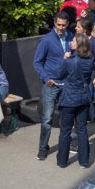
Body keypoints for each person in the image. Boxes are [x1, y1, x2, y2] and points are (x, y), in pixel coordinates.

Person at [33, 14, 75, 160]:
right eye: (59, 25)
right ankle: (43, 148)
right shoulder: (46, 40)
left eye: (63, 25)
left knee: (67, 117)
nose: (61, 28)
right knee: (46, 119)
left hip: (67, 83)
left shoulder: (72, 37)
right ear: (54, 24)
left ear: (68, 24)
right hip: (51, 84)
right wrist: (46, 79)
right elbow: (37, 62)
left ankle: (65, 146)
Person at [53, 34, 95, 169]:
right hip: (83, 98)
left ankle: (62, 160)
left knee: (65, 130)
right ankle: (83, 161)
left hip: (69, 99)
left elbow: (59, 75)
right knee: (82, 129)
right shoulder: (90, 60)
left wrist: (64, 59)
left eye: (73, 41)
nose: (71, 42)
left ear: (78, 45)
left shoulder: (70, 61)